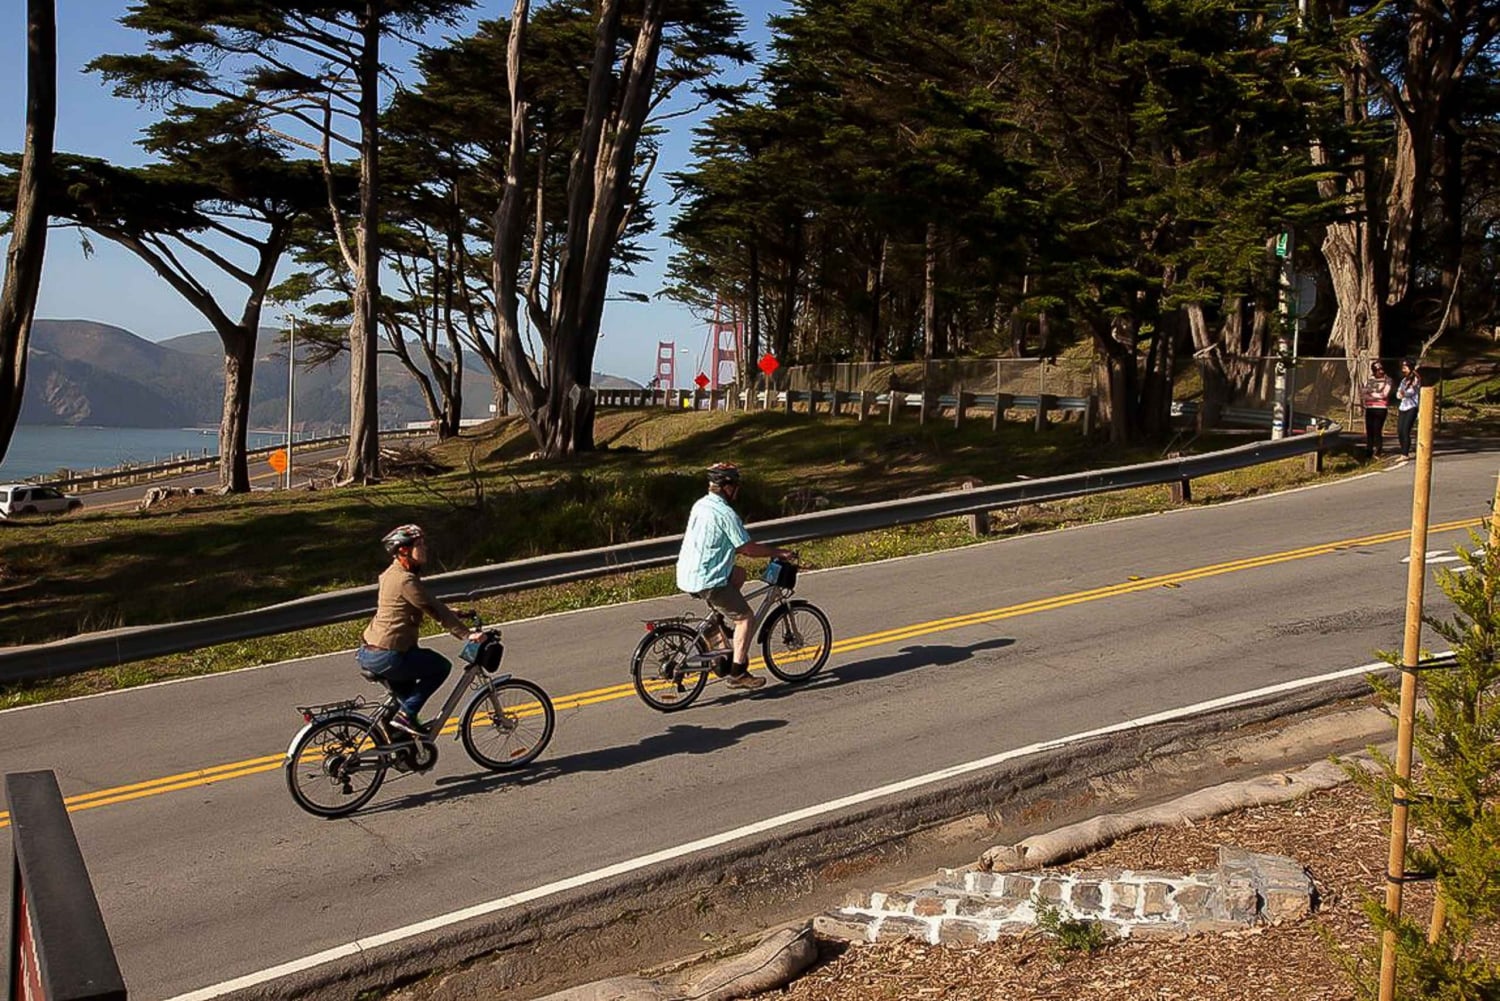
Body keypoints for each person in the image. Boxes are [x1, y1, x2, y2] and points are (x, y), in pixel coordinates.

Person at [675, 463, 797, 690]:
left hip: (688, 572)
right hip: (708, 579)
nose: (738, 490)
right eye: (736, 486)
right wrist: (778, 552)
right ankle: (738, 673)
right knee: (745, 618)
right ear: (726, 487)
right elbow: (748, 549)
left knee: (739, 573)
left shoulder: (701, 504)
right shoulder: (726, 513)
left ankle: (716, 622)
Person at [357, 524, 483, 736]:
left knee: (408, 699)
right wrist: (467, 634)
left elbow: (412, 604)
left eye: (424, 543)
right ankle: (404, 716)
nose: (424, 548)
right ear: (403, 550)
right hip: (389, 655)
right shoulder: (405, 580)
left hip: (370, 651)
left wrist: (455, 612)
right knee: (440, 667)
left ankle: (401, 746)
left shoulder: (392, 574)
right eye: (419, 544)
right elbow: (433, 608)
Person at [1360, 360, 1392, 458]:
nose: (1380, 371)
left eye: (1381, 369)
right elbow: (1364, 394)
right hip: (1370, 407)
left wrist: (1372, 394)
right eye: (1377, 370)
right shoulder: (1372, 380)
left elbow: (1384, 394)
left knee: (1377, 429)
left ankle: (1378, 450)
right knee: (1369, 430)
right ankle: (1369, 450)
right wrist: (1373, 395)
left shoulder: (1387, 380)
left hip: (1381, 408)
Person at [1396, 358, 1421, 460]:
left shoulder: (1416, 378)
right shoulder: (1404, 380)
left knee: (1406, 430)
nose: (1403, 370)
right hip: (1403, 406)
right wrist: (1399, 394)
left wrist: (1404, 393)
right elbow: (1399, 391)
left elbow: (1411, 392)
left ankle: (1405, 453)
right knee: (1400, 430)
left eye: (1405, 367)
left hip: (1412, 407)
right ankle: (1403, 449)